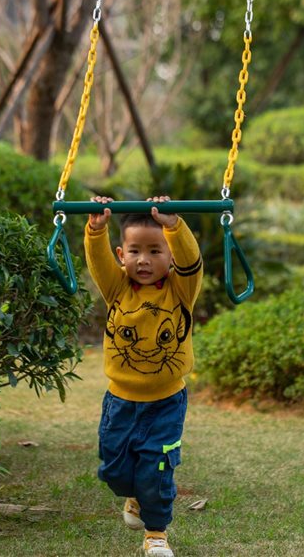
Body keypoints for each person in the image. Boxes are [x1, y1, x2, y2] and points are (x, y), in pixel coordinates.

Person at [84, 195, 203, 557]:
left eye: (156, 251)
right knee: (116, 473)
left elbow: (192, 263)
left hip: (166, 401)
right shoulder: (116, 287)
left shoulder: (180, 291)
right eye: (135, 251)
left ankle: (156, 534)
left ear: (170, 257)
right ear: (122, 256)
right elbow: (98, 262)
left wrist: (174, 227)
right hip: (120, 400)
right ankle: (132, 496)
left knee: (157, 468)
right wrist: (96, 228)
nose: (144, 260)